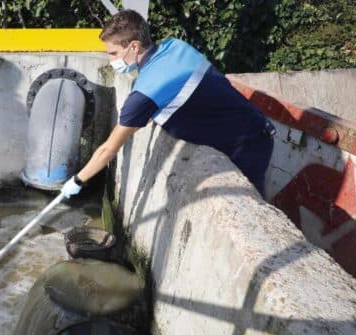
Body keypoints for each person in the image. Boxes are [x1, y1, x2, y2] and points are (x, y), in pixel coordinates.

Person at [60, 9, 274, 199]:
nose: (111, 61)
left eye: (114, 53)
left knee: (251, 204)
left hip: (246, 145)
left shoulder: (146, 92)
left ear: (134, 46)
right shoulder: (175, 47)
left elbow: (108, 149)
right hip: (255, 128)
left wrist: (77, 181)